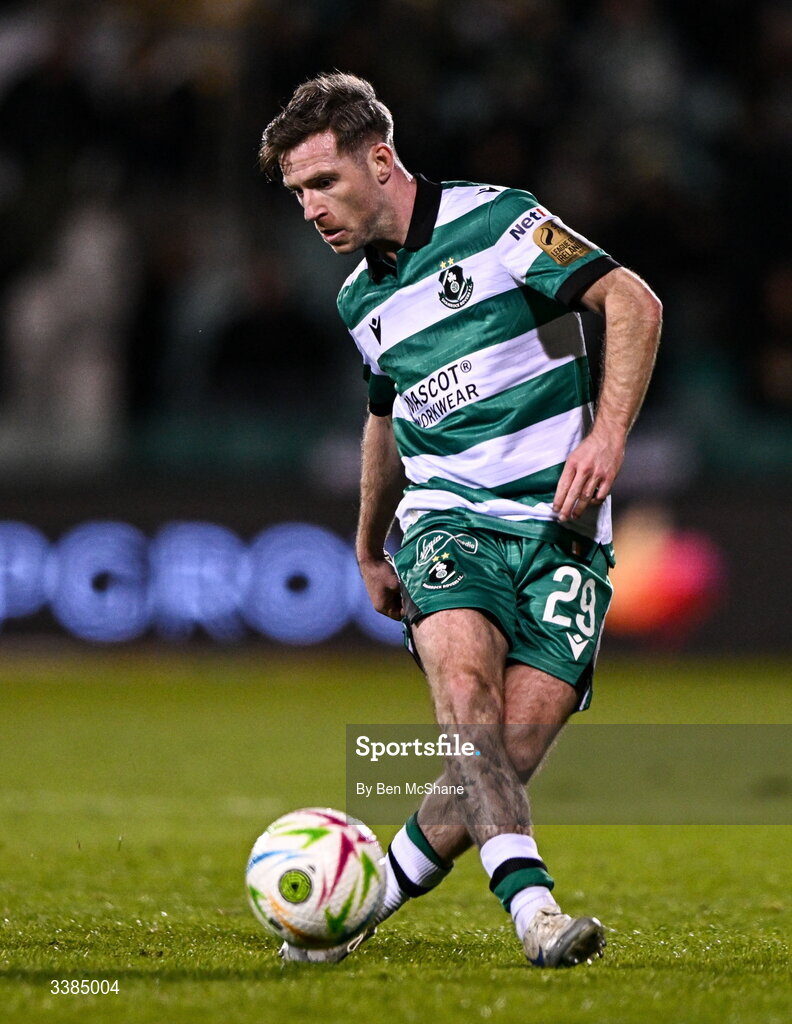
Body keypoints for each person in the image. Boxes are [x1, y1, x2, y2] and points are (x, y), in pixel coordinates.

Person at [259, 72, 662, 968]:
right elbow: (384, 418)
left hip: (566, 531)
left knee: (501, 757)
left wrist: (610, 438)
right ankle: (535, 913)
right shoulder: (358, 302)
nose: (311, 210)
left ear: (381, 158)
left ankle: (351, 905)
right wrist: (370, 543)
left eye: (323, 183)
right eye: (297, 195)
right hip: (448, 524)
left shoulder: (502, 222)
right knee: (467, 715)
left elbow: (632, 302)